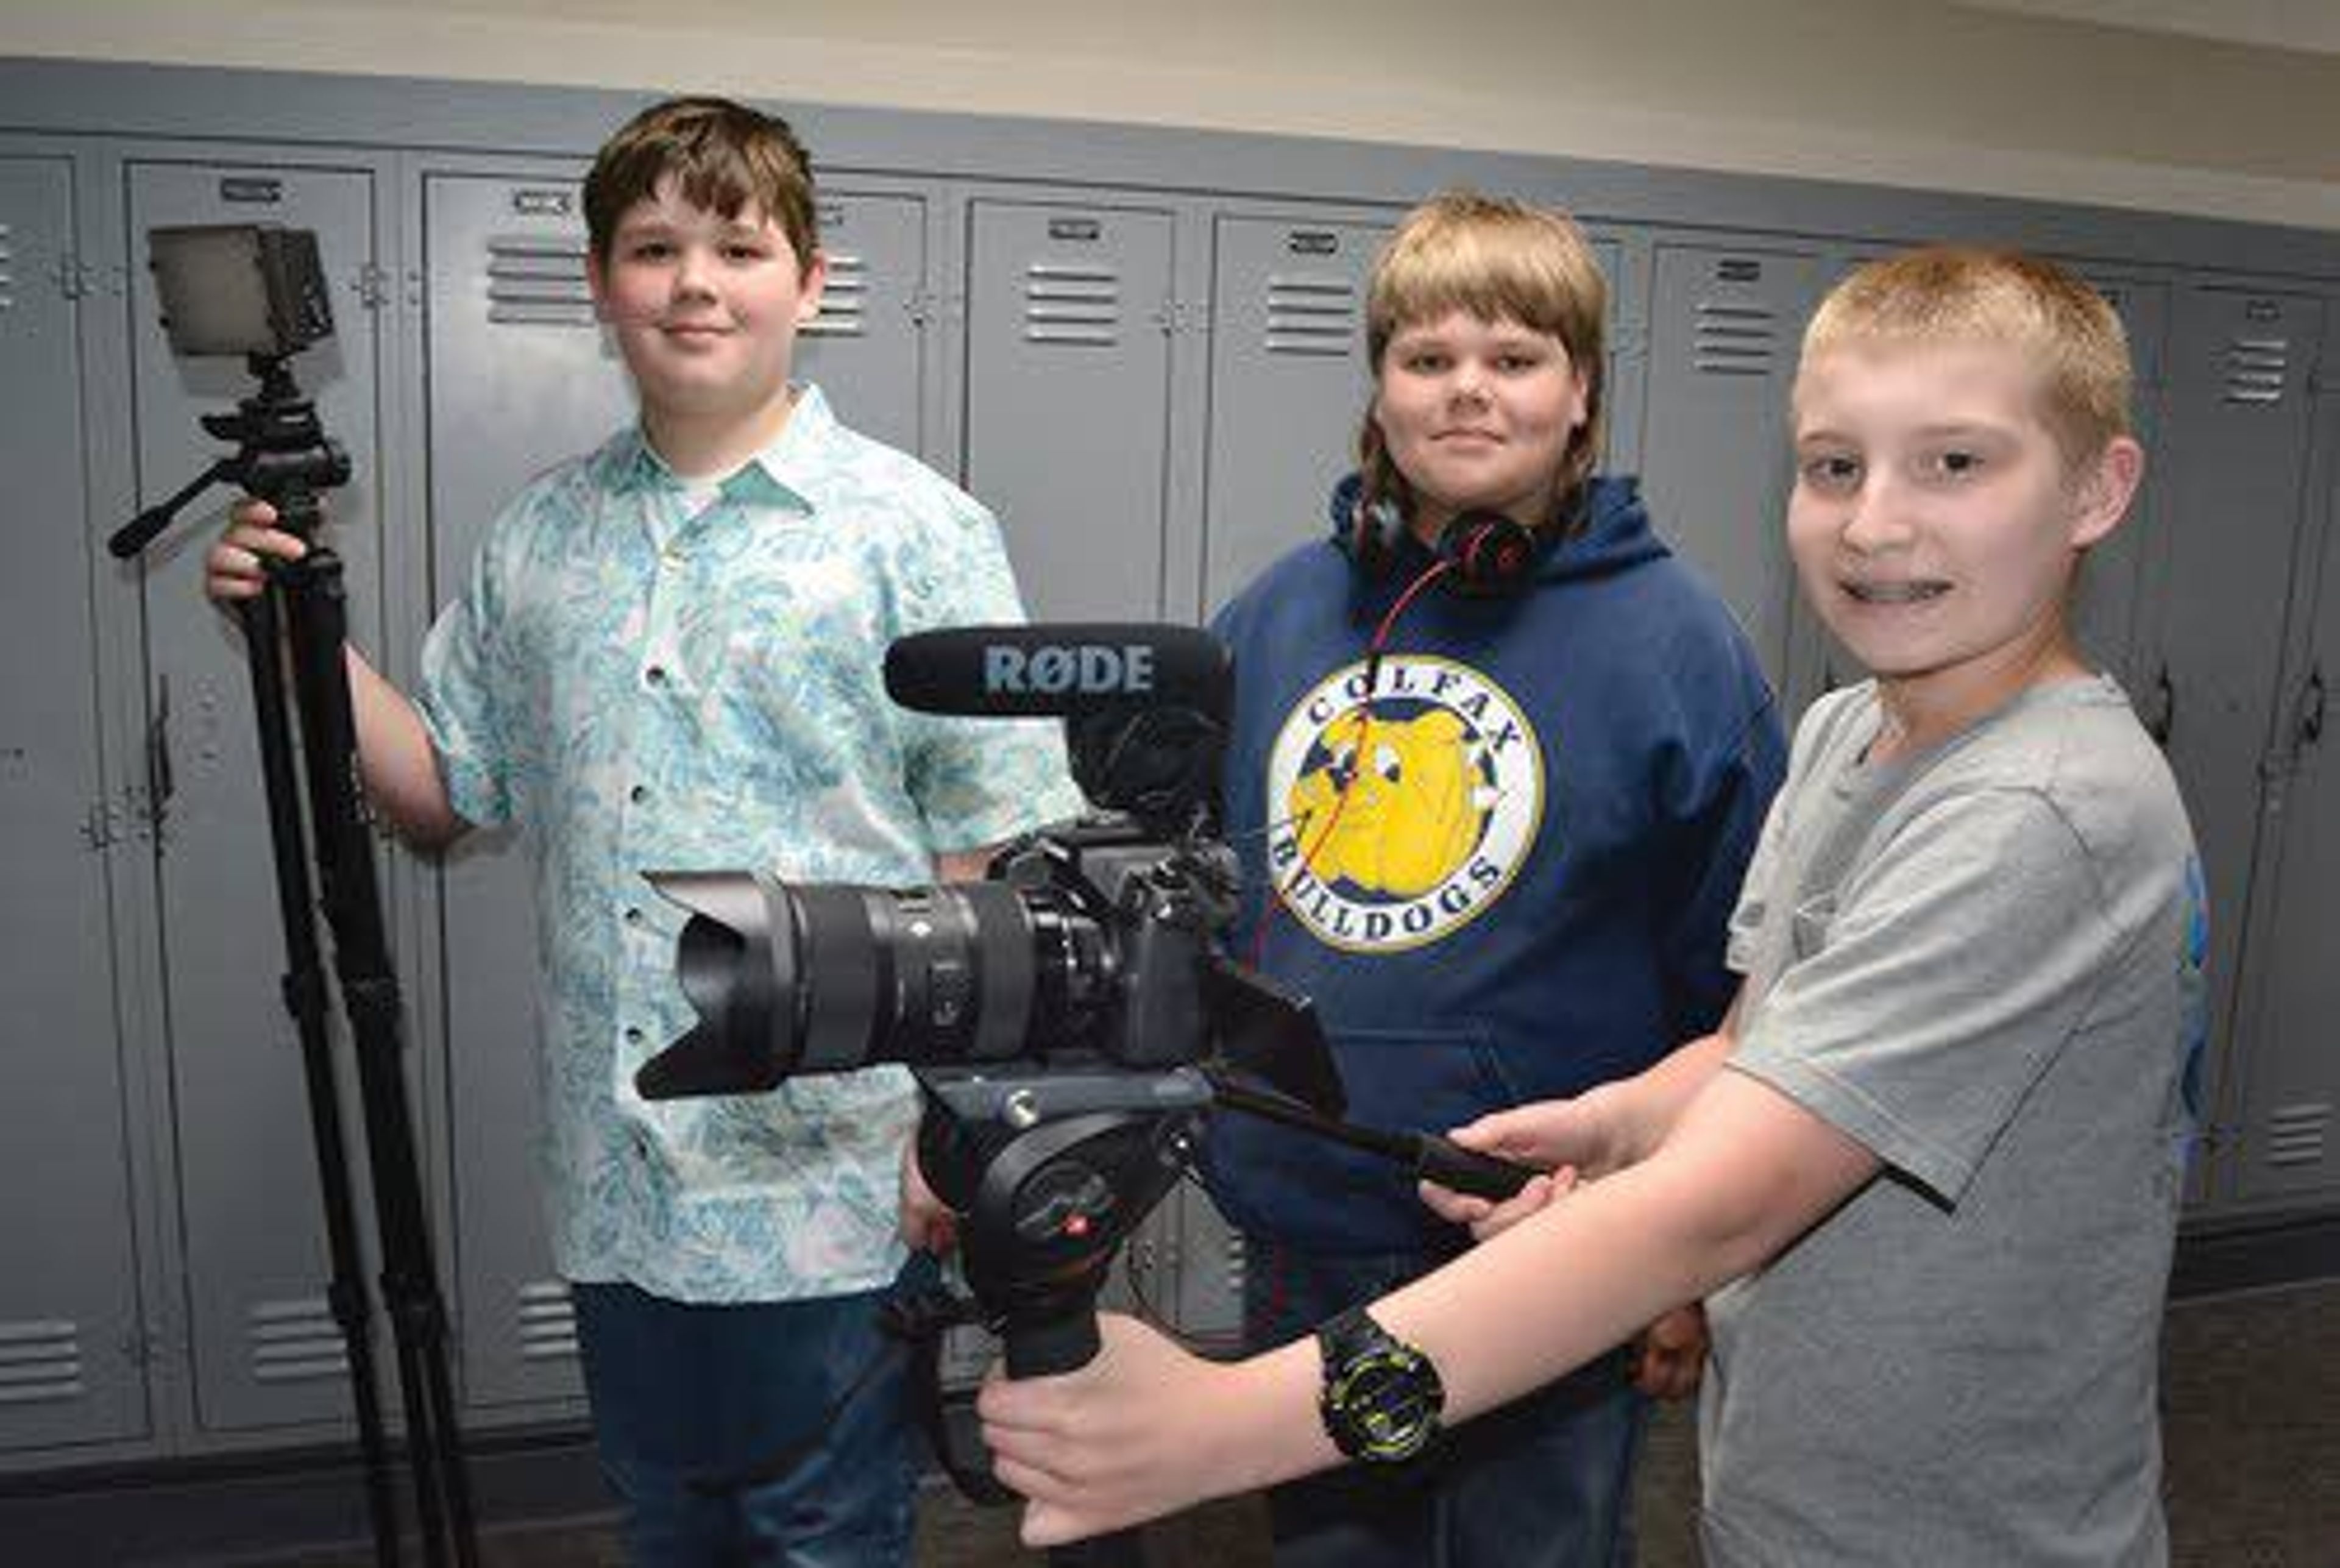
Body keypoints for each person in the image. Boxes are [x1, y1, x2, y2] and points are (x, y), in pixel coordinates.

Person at [979, 245, 2207, 1568]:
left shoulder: (2035, 815)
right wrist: (1615, 1124)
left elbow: (1714, 1212)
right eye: (1834, 465)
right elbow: (1756, 1045)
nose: (1874, 524)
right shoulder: (1859, 732)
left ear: (2097, 488)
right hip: (1797, 1493)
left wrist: (1219, 1427)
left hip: (1974, 1532)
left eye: (1956, 464)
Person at [205, 95, 1083, 1566]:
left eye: (739, 247)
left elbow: (988, 857)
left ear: (810, 281)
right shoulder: (543, 536)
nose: (695, 281)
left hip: (828, 1179)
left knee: (823, 1535)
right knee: (666, 1525)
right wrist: (296, 633)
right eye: (653, 246)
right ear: (601, 285)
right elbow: (441, 796)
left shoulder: (914, 531)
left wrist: (960, 1129)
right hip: (619, 1186)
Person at [1192, 190, 1784, 1566]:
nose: (1469, 391)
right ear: (1380, 387)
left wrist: (1680, 1262)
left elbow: (1747, 994)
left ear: (1581, 394)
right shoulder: (1279, 612)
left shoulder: (1681, 642)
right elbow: (1206, 895)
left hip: (1558, 1243)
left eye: (1515, 359)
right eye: (1428, 358)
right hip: (1312, 1223)